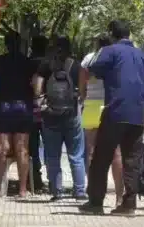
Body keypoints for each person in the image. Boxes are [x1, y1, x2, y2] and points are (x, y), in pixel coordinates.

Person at [79, 20, 144, 216]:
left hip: (115, 112)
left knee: (101, 158)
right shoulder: (141, 55)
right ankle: (129, 205)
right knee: (131, 160)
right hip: (137, 115)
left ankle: (96, 202)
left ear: (111, 34)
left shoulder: (110, 50)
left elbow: (93, 68)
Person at [35, 36, 87, 201]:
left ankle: (56, 192)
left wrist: (43, 98)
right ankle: (79, 191)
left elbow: (37, 89)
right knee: (76, 154)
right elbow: (83, 91)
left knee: (52, 155)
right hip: (71, 114)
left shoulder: (46, 64)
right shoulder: (76, 65)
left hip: (51, 116)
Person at [0, 32, 35, 197]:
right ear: (20, 44)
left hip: (3, 107)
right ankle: (22, 189)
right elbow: (35, 86)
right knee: (22, 149)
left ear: (5, 44)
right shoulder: (29, 63)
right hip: (23, 108)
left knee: (1, 149)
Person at [80, 34, 124, 205]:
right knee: (116, 154)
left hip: (92, 106)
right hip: (111, 106)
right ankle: (120, 197)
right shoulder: (117, 59)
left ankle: (94, 195)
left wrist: (86, 98)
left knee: (91, 153)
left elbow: (82, 86)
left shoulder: (89, 59)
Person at [28, 35, 49, 192]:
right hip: (48, 110)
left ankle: (36, 180)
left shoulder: (27, 63)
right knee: (50, 147)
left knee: (33, 147)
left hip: (30, 110)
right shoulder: (50, 64)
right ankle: (54, 180)